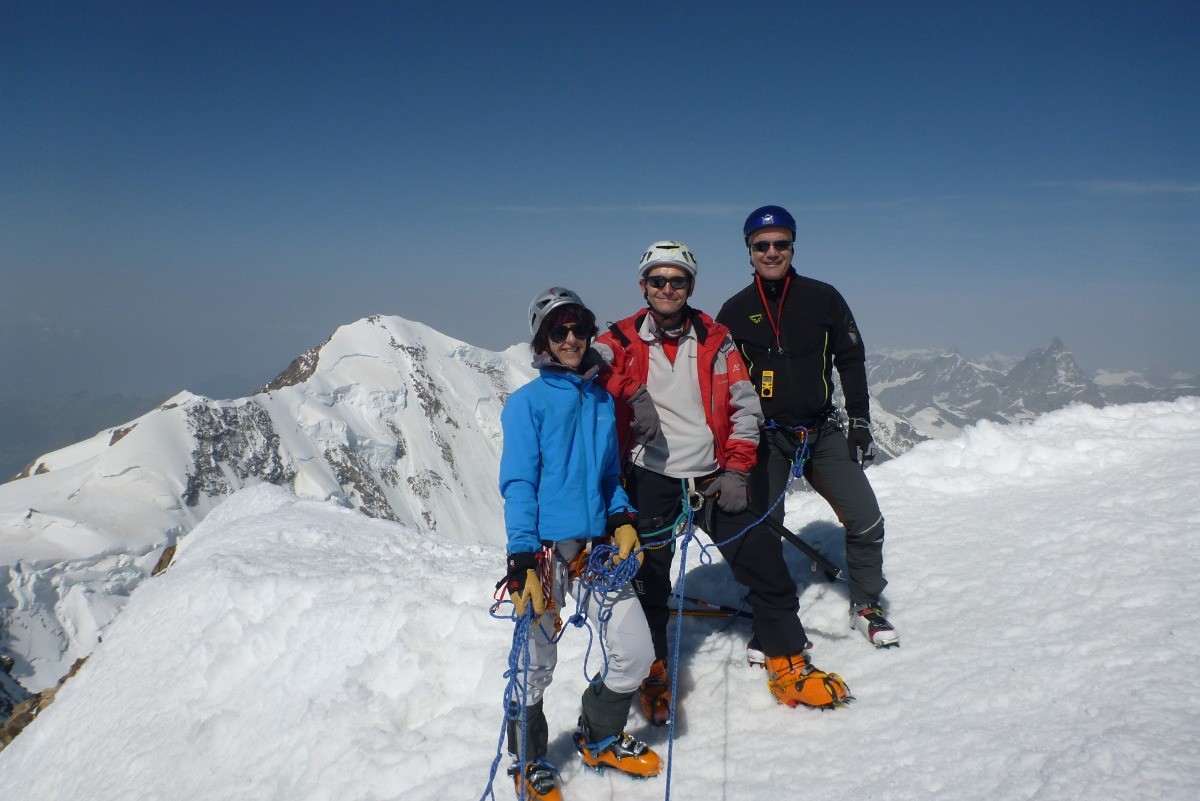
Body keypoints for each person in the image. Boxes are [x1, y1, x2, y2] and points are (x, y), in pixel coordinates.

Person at [595, 242, 850, 723]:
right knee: (649, 580)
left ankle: (789, 660)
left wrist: (736, 469)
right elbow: (582, 365)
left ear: (691, 286)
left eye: (678, 281)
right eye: (657, 280)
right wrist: (631, 390)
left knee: (763, 564)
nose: (667, 289)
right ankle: (654, 670)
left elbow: (744, 406)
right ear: (643, 285)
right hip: (651, 476)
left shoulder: (717, 338)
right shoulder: (621, 339)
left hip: (714, 475)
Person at [498, 287, 662, 801]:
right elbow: (519, 484)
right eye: (558, 330)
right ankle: (527, 761)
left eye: (578, 328)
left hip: (595, 549)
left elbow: (609, 474)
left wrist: (621, 518)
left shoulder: (598, 398)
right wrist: (521, 558)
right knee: (534, 664)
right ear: (543, 340)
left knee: (635, 651)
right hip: (545, 554)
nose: (571, 338)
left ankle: (597, 734)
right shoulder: (526, 404)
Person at [715, 206, 899, 648]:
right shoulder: (736, 311)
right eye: (762, 246)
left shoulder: (823, 298)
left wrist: (859, 420)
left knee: (866, 520)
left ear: (793, 246)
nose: (772, 252)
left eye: (781, 244)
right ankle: (772, 616)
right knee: (760, 531)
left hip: (821, 431)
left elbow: (850, 359)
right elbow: (719, 380)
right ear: (749, 251)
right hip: (767, 435)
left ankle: (867, 603)